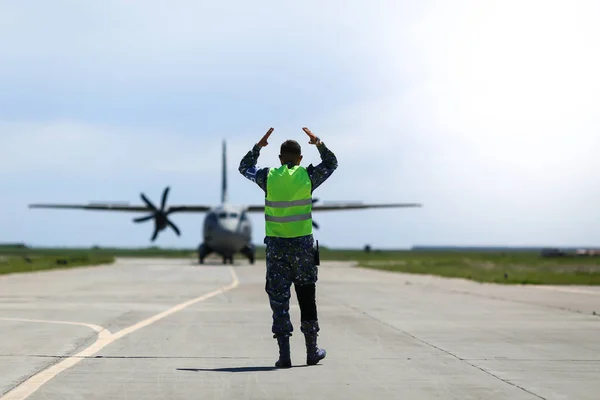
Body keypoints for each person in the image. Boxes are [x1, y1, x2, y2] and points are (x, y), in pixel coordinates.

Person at [238, 127, 338, 368]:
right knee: (307, 297)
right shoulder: (307, 176)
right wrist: (319, 143)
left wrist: (258, 147)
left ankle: (284, 356)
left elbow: (244, 168)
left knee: (279, 301)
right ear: (300, 158)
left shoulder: (268, 176)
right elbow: (332, 163)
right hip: (303, 247)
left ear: (280, 158)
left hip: (276, 249)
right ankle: (312, 351)